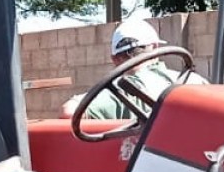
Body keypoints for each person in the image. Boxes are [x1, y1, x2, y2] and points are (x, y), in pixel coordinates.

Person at [63, 17, 208, 121]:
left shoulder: (119, 93)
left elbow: (69, 113)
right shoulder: (194, 81)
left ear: (114, 59)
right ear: (156, 47)